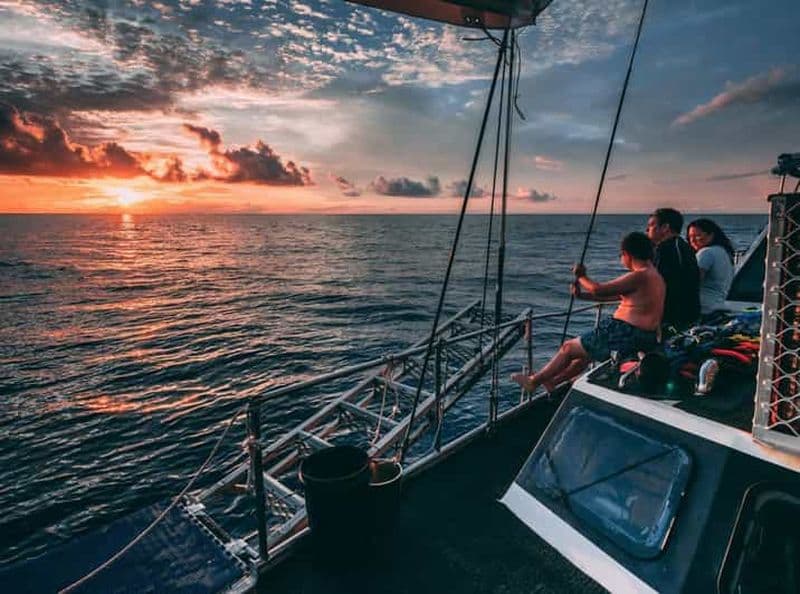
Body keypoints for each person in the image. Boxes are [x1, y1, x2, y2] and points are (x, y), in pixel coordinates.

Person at [512, 232, 664, 393]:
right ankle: (554, 381)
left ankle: (533, 382)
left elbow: (599, 289)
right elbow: (616, 296)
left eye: (621, 254)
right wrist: (581, 295)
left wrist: (582, 276)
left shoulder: (639, 275)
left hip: (623, 332)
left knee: (568, 348)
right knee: (585, 354)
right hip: (644, 336)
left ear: (627, 254)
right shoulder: (655, 276)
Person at [646, 208, 700, 330]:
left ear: (665, 227)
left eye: (651, 225)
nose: (647, 230)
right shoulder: (684, 247)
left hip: (671, 318)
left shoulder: (665, 250)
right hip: (688, 315)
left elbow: (655, 285)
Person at [686, 218, 735, 316]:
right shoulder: (724, 252)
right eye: (690, 236)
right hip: (717, 306)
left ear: (711, 235)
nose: (692, 240)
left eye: (698, 235)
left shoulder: (706, 253)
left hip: (704, 308)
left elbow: (693, 282)